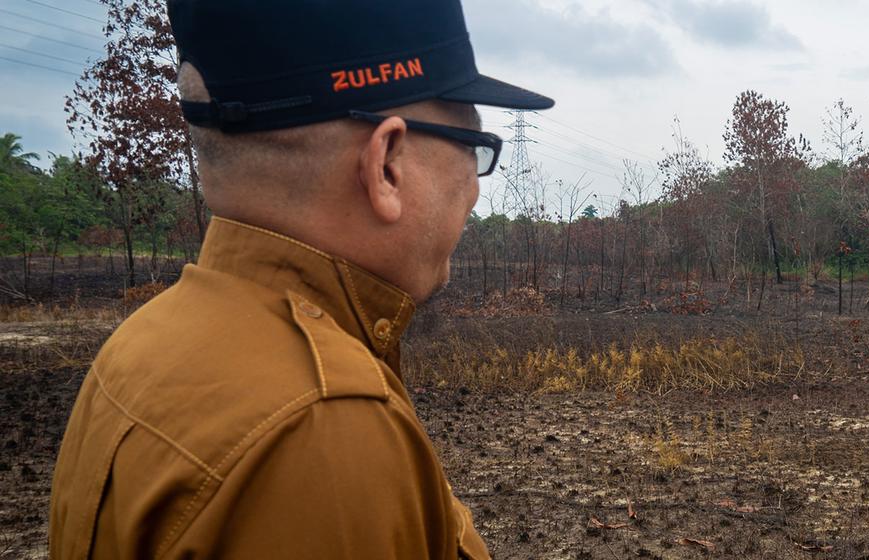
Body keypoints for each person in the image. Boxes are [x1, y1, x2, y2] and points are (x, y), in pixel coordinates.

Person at [48, 0, 553, 557]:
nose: (475, 190)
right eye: (474, 150)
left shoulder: (142, 346)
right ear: (386, 164)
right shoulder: (321, 427)